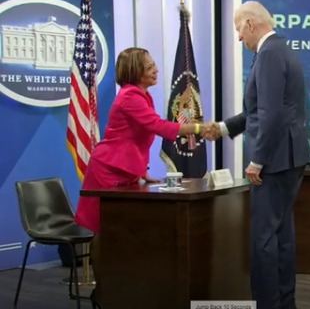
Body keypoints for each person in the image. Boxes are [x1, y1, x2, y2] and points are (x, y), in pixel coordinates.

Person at [74, 47, 211, 308]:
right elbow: (157, 127)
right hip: (108, 170)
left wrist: (142, 172)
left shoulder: (141, 96)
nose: (156, 69)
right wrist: (198, 127)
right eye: (149, 67)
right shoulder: (130, 97)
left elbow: (136, 136)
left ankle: (119, 287)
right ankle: (103, 293)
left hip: (124, 170)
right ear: (135, 71)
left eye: (153, 65)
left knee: (118, 231)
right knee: (105, 231)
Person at [205, 1, 310, 309]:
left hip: (275, 161)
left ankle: (267, 304)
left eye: (238, 29)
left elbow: (271, 114)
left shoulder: (269, 54)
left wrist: (257, 160)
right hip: (288, 158)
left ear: (250, 24)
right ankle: (283, 302)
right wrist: (223, 128)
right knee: (281, 234)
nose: (239, 37)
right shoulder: (279, 50)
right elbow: (257, 110)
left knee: (263, 238)